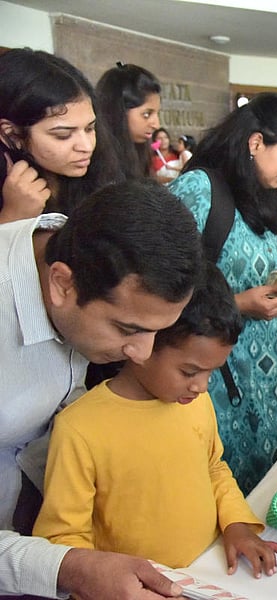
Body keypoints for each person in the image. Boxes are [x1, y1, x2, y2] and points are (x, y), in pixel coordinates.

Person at [0, 178, 203, 598]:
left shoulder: (84, 256)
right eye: (128, 329)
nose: (142, 354)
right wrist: (64, 568)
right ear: (61, 284)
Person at [34, 263, 277, 576]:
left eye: (213, 371)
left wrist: (236, 524)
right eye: (190, 371)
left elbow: (214, 468)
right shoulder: (79, 429)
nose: (202, 386)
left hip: (211, 572)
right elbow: (62, 538)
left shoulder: (195, 402)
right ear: (143, 346)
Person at [168, 92, 277, 493]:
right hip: (221, 373)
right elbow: (162, 286)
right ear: (256, 143)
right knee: (225, 483)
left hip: (265, 375)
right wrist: (239, 304)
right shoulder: (200, 189)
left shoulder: (259, 196)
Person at [0, 48, 120, 222]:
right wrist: (12, 216)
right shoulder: (13, 199)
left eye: (90, 128)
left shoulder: (99, 176)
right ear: (12, 134)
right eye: (63, 135)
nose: (86, 147)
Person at [95, 62, 162, 180]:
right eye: (146, 114)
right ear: (117, 112)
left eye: (157, 113)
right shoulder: (94, 162)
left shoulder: (140, 154)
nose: (156, 125)